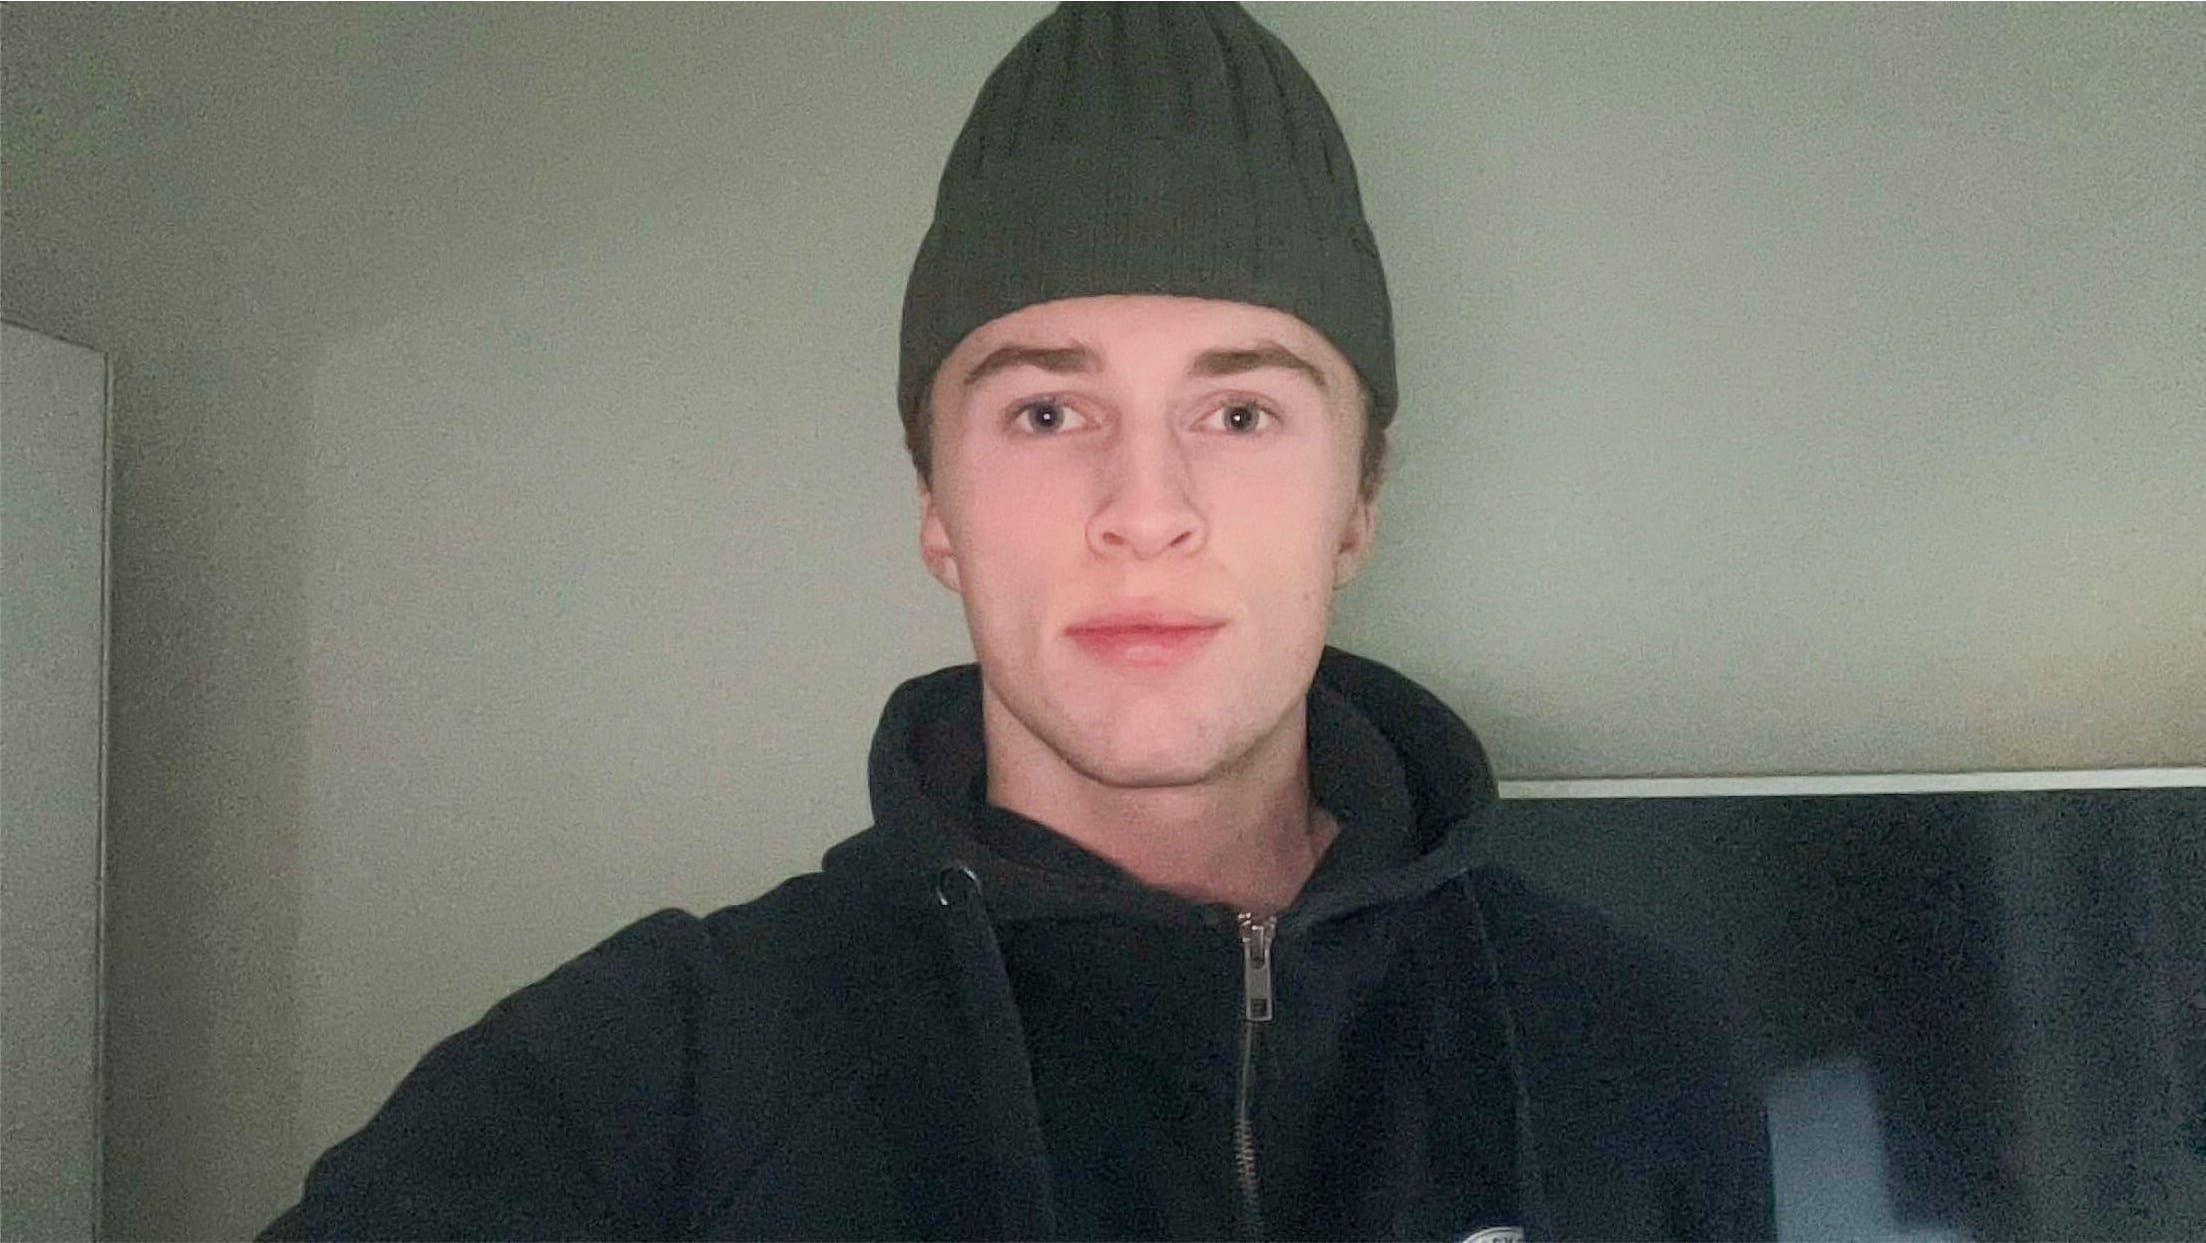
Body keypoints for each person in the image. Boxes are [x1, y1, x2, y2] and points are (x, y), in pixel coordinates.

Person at [265, 5, 1772, 1239]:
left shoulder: (1628, 1046)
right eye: (1048, 411)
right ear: (938, 506)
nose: (1144, 508)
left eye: (1240, 412)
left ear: (1356, 505)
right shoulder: (648, 1075)